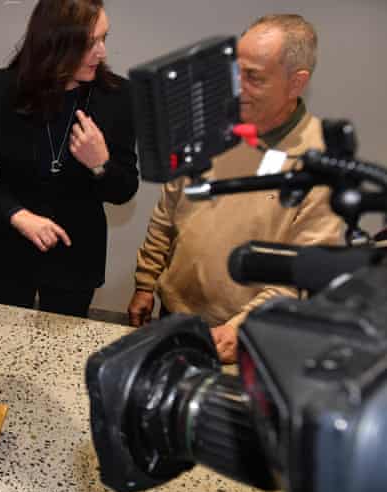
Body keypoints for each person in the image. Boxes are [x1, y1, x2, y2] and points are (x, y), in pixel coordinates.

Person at [129, 14, 344, 363]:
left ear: (296, 83)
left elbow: (301, 274)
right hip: (174, 312)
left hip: (244, 336)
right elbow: (168, 210)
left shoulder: (321, 162)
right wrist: (145, 281)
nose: (237, 86)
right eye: (235, 71)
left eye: (254, 78)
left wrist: (239, 327)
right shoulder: (208, 127)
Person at [0, 0, 138, 318]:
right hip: (8, 247)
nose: (101, 52)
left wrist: (100, 163)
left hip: (75, 258)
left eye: (104, 39)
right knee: (0, 345)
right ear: (55, 44)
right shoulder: (1, 87)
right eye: (90, 43)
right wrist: (17, 215)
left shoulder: (116, 96)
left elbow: (125, 189)